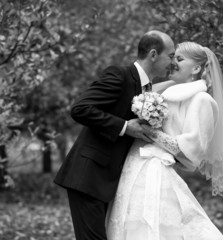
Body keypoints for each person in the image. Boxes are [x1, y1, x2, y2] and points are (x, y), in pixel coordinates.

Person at [106, 42, 223, 240]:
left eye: (179, 59)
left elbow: (191, 154)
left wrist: (149, 131)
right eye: (172, 57)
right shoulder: (164, 93)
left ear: (196, 68)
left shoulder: (202, 101)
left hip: (155, 170)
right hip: (132, 167)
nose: (172, 63)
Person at [54, 30, 175, 240]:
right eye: (171, 56)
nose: (172, 62)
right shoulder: (119, 75)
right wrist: (125, 127)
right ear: (154, 54)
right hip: (88, 177)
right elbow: (81, 108)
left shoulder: (147, 88)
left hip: (111, 181)